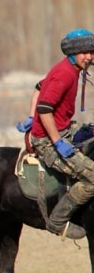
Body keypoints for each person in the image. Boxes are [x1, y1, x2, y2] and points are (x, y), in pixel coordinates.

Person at [29, 28, 94, 239]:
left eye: (92, 52)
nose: (90, 57)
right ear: (73, 53)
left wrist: (31, 119)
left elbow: (40, 87)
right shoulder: (65, 74)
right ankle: (57, 221)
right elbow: (45, 108)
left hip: (64, 129)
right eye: (85, 52)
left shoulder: (71, 69)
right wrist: (57, 142)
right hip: (48, 140)